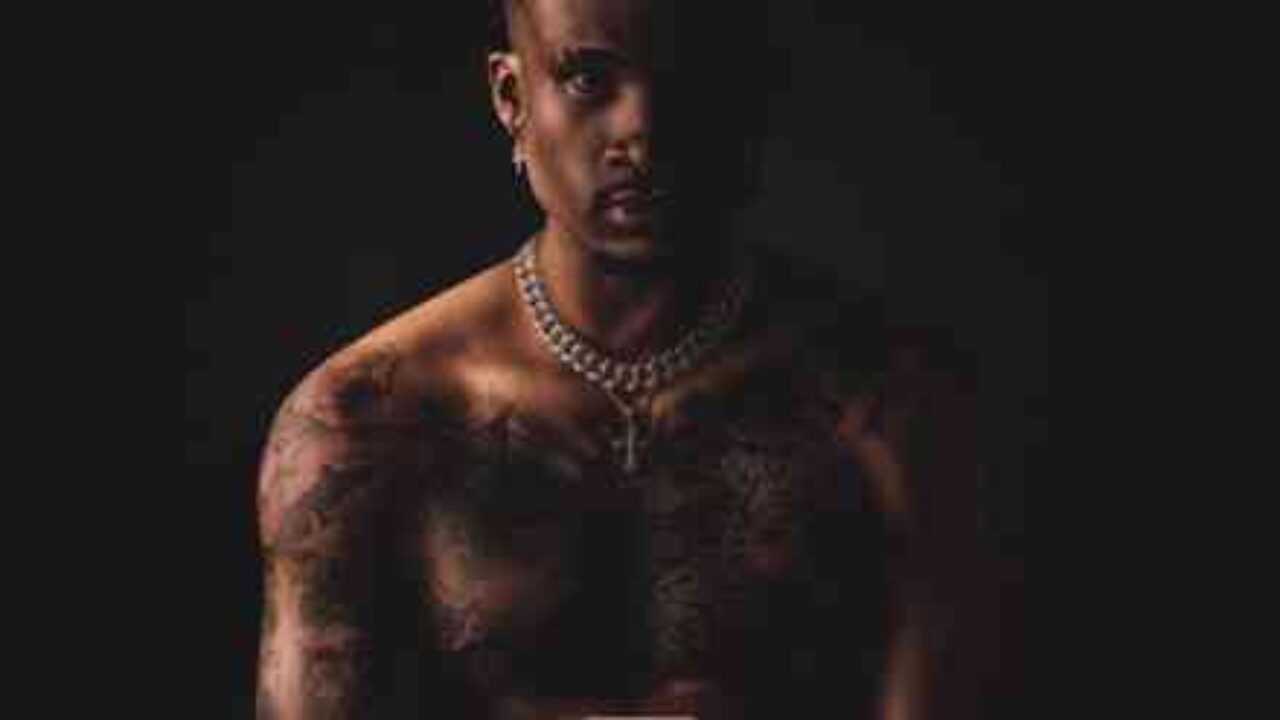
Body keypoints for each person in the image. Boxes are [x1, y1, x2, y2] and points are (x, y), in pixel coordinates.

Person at [256, 1, 972, 717]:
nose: (642, 130)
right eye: (588, 78)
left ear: (750, 92)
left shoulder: (886, 406)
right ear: (512, 97)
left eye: (691, 77)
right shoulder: (361, 424)